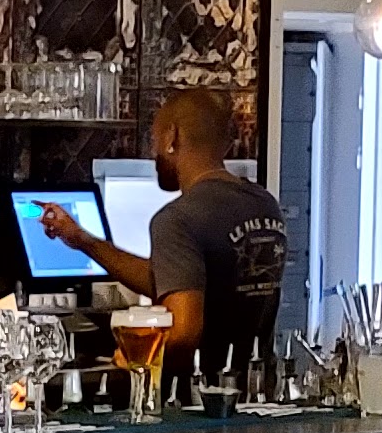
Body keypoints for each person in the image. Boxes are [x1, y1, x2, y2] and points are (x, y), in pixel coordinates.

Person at [36, 88, 289, 378]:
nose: (153, 151)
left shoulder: (177, 219)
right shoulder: (265, 205)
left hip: (199, 396)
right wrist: (82, 240)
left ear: (172, 137)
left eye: (154, 139)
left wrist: (134, 355)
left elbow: (182, 336)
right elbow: (180, 281)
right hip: (258, 391)